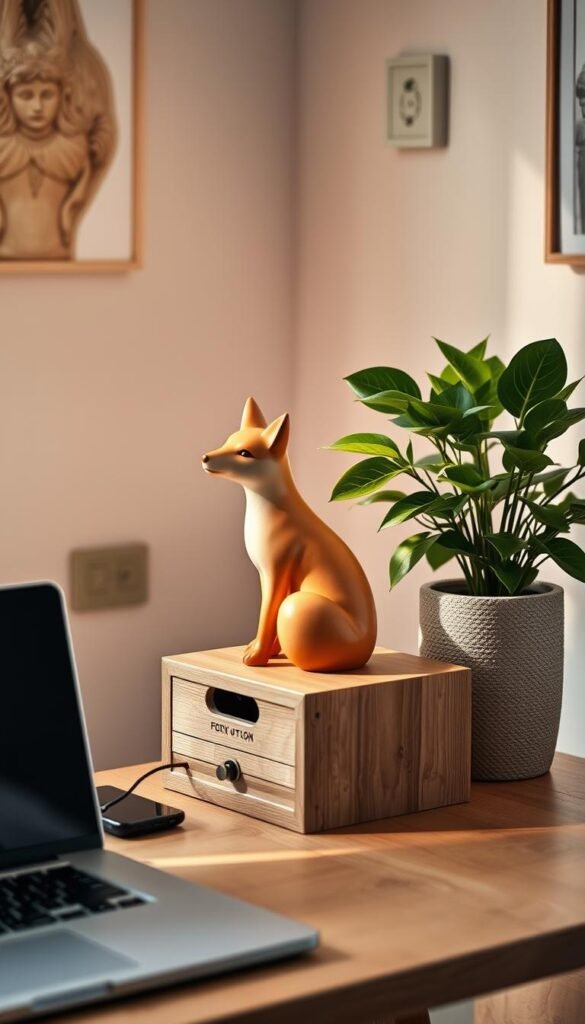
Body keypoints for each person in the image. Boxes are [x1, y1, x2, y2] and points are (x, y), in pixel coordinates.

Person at [0, 0, 115, 260]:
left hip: (58, 252)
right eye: (26, 95)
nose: (37, 107)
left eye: (47, 95)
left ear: (64, 95)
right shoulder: (3, 149)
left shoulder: (75, 150)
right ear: (7, 97)